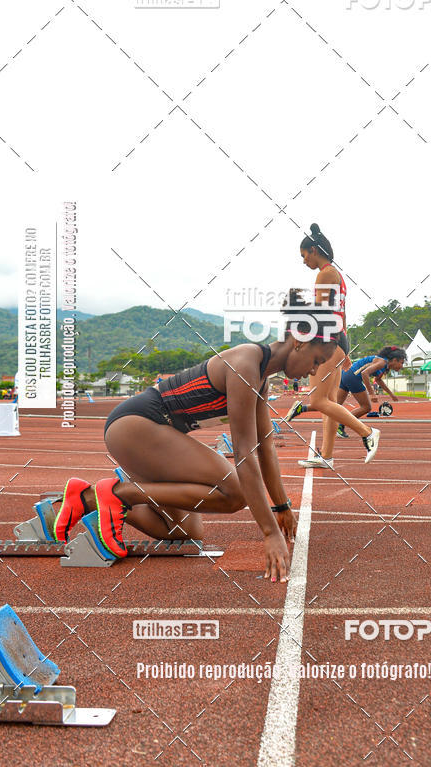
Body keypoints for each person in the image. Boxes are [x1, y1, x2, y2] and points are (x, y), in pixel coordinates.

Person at [53, 305, 340, 582]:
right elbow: (244, 453)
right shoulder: (245, 364)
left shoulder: (261, 380)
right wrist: (269, 533)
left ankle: (87, 498)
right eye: (317, 360)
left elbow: (265, 446)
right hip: (135, 426)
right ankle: (118, 494)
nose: (314, 371)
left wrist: (281, 506)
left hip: (152, 434)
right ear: (300, 342)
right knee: (236, 492)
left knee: (182, 530)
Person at [285, 224, 380, 467]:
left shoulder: (325, 274)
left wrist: (301, 337)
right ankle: (326, 456)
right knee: (329, 402)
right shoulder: (337, 276)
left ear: (314, 250)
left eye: (304, 255)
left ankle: (367, 432)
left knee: (318, 401)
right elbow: (341, 314)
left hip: (327, 341)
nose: (304, 261)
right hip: (337, 339)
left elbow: (319, 313)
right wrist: (344, 349)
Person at [336, 347, 407, 437]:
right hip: (353, 377)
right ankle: (340, 425)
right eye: (401, 363)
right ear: (394, 360)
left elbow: (378, 380)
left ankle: (332, 427)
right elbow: (364, 373)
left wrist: (391, 394)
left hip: (346, 374)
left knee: (335, 406)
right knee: (366, 407)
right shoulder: (382, 362)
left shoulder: (384, 365)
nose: (402, 366)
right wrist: (371, 393)